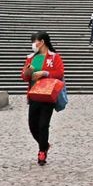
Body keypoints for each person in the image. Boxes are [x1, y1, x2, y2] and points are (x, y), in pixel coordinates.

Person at [22, 32, 64, 166]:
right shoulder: (31, 58)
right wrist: (28, 72)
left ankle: (42, 152)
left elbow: (60, 73)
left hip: (48, 95)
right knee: (32, 125)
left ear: (43, 42)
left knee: (43, 125)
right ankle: (44, 144)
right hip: (34, 94)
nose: (33, 44)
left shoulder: (54, 57)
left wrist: (45, 73)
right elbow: (24, 77)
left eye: (35, 41)